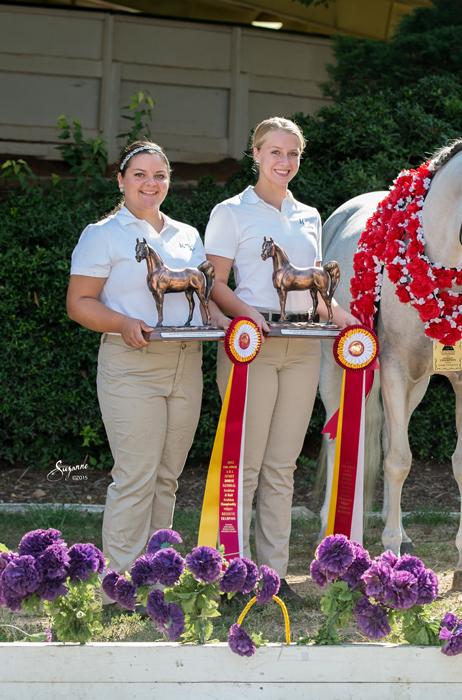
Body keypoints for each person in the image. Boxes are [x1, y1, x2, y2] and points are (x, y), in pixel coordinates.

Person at [205, 117, 357, 604]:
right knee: (244, 465)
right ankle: (234, 572)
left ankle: (272, 578)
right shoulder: (231, 212)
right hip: (252, 346)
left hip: (303, 346)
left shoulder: (309, 216)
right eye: (275, 152)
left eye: (293, 154)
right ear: (256, 154)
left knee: (282, 467)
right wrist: (248, 315)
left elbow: (315, 290)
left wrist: (348, 321)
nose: (284, 162)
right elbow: (214, 284)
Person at [67, 140, 206, 580]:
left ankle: (156, 576)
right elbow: (79, 302)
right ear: (122, 180)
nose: (151, 183)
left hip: (186, 363)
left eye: (160, 175)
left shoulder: (187, 235)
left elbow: (205, 299)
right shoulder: (103, 233)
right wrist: (123, 322)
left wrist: (243, 324)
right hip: (132, 364)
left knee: (167, 476)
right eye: (141, 175)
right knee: (136, 475)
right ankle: (120, 582)